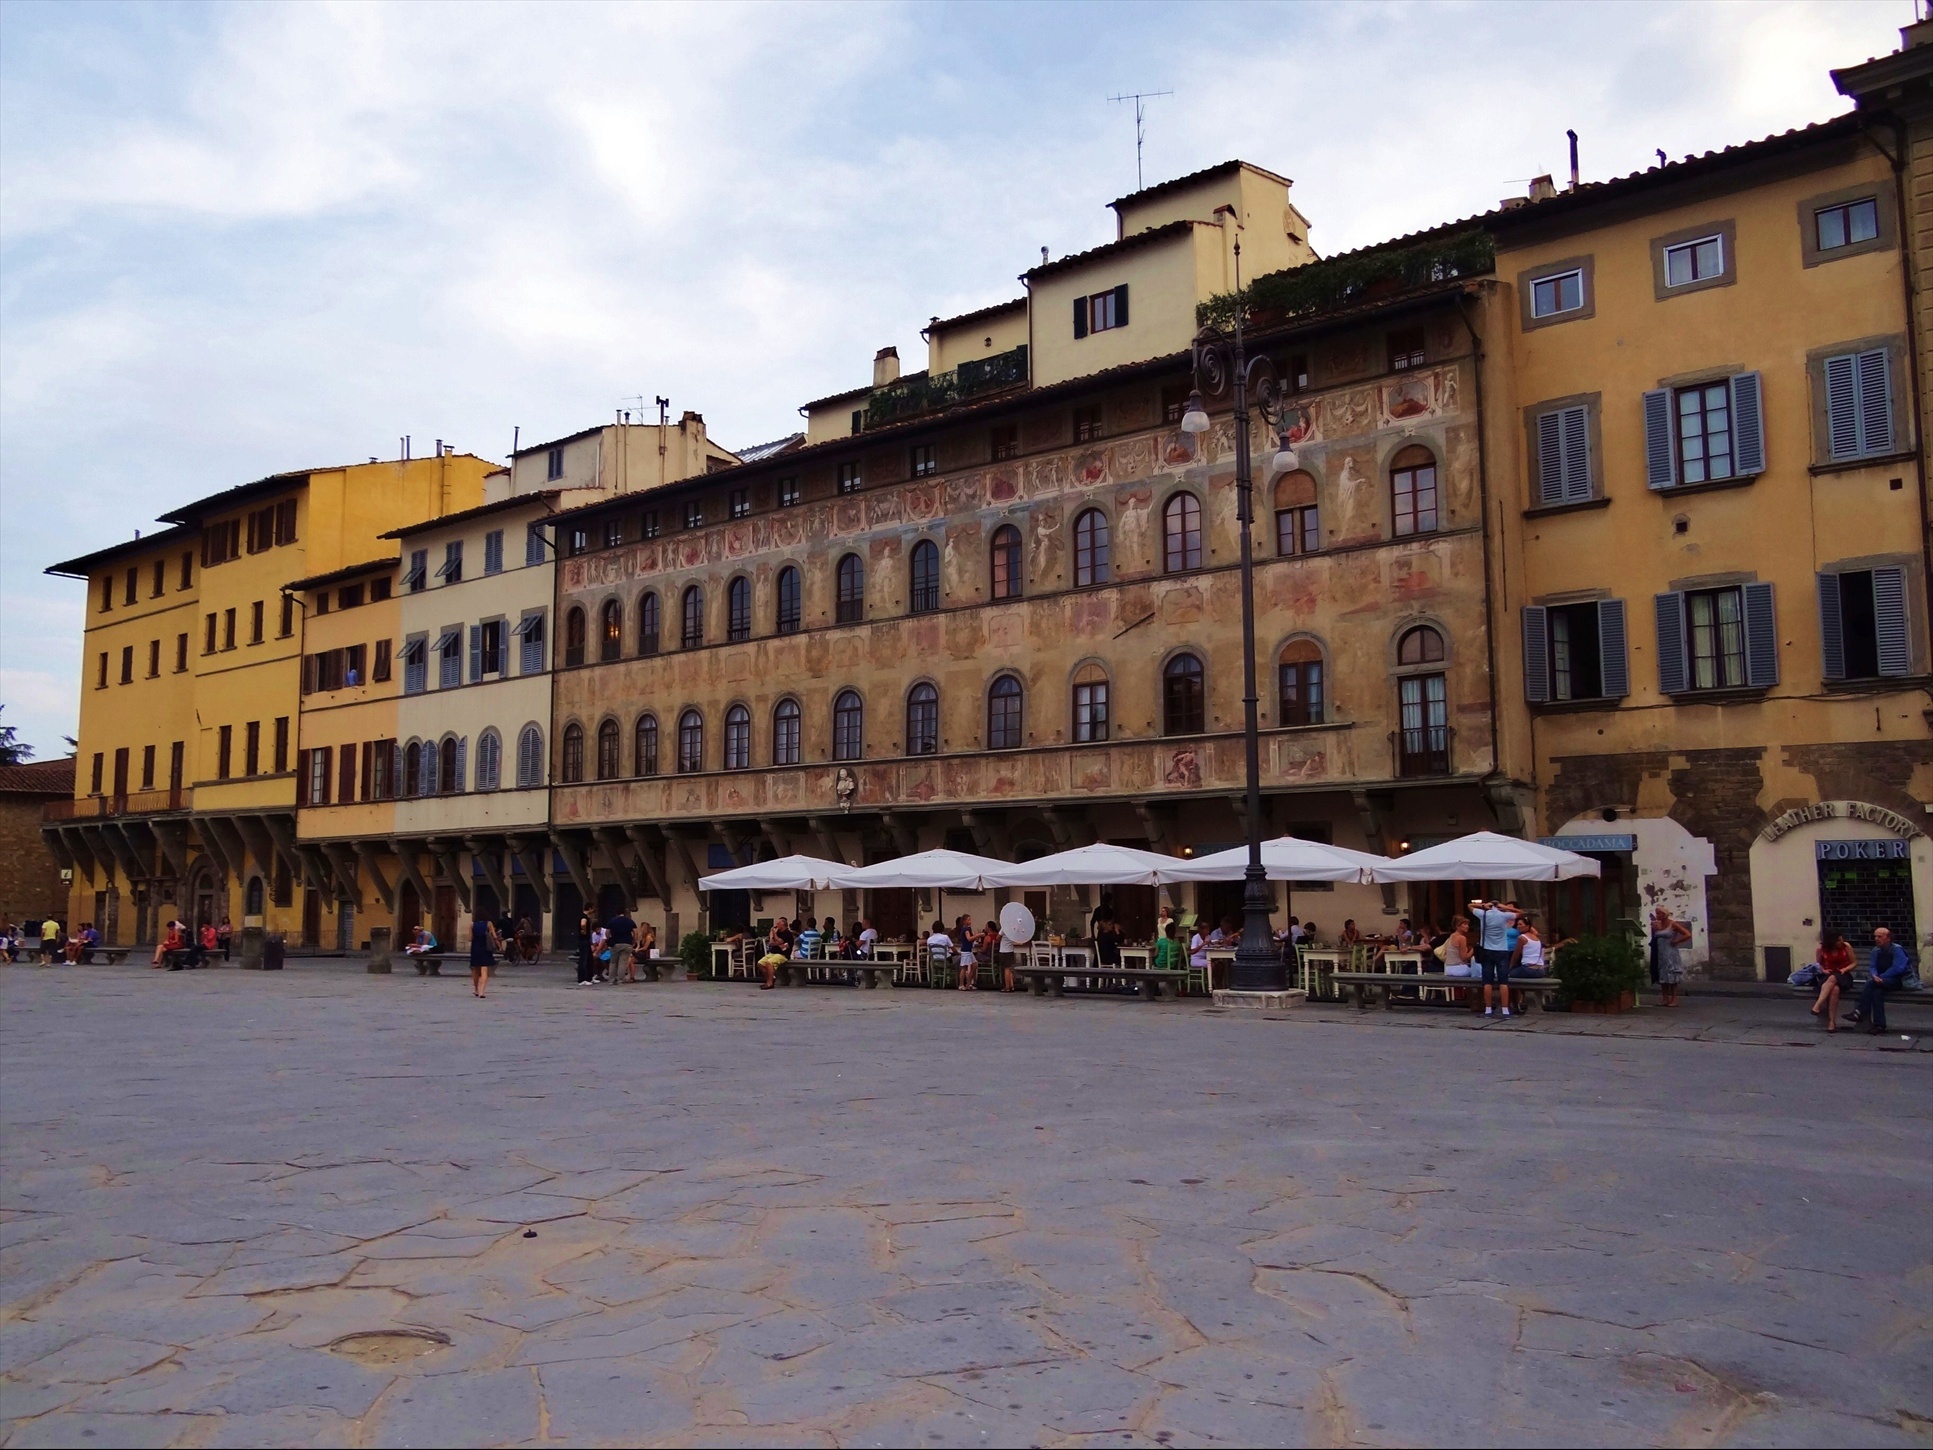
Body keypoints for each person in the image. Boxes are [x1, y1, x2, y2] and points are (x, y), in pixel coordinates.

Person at [1849, 926, 1912, 1034]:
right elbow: (1872, 966)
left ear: (1888, 938)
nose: (1877, 939)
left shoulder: (1897, 949)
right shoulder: (1875, 951)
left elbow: (1898, 968)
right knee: (1876, 993)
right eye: (1875, 936)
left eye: (1880, 936)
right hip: (1880, 981)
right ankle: (1880, 1025)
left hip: (1898, 980)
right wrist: (1874, 975)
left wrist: (1881, 977)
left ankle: (1859, 1011)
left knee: (1870, 983)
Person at [1469, 897, 1521, 1017]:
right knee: (1503, 982)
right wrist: (1505, 907)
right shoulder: (1504, 916)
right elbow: (1520, 913)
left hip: (1487, 950)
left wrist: (1483, 906)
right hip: (1502, 950)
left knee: (1487, 981)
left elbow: (1469, 906)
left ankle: (1488, 1009)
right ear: (1499, 906)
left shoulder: (1483, 915)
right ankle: (1505, 1010)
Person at [1810, 930, 1855, 1031]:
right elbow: (1818, 965)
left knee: (1833, 978)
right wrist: (1824, 970)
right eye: (1838, 940)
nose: (1841, 942)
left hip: (1843, 975)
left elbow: (1854, 962)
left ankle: (1818, 1005)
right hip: (1827, 975)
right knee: (1835, 990)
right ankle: (1831, 1022)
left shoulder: (1846, 946)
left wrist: (1845, 969)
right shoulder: (1821, 949)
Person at [1650, 907, 1691, 1007]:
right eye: (1656, 913)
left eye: (1659, 913)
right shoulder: (1657, 925)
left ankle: (1674, 999)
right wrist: (1656, 929)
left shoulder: (1673, 924)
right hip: (1660, 953)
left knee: (1672, 975)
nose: (1657, 915)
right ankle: (1665, 999)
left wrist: (1676, 941)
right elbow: (1655, 938)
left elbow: (1687, 934)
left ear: (1664, 914)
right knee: (1662, 975)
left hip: (1670, 952)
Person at [469, 914, 500, 998]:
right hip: (485, 947)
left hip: (475, 948)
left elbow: (470, 938)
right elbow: (494, 936)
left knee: (475, 969)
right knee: (484, 969)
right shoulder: (489, 924)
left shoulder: (472, 924)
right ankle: (482, 991)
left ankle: (476, 990)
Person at [606, 906, 638, 983]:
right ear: (624, 913)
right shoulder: (630, 921)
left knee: (613, 962)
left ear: (616, 913)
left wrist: (609, 939)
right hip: (627, 943)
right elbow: (635, 932)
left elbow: (607, 932)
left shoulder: (612, 921)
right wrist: (634, 941)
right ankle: (620, 979)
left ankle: (611, 979)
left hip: (615, 943)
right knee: (623, 962)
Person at [574, 907, 597, 986]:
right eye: (593, 909)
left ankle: (589, 978)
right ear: (590, 908)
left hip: (585, 941)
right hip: (583, 940)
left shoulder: (585, 916)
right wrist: (584, 930)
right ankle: (582, 979)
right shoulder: (584, 917)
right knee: (584, 959)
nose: (593, 911)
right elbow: (583, 924)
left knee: (589, 959)